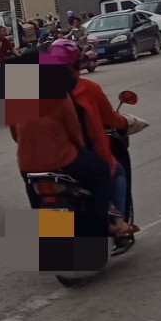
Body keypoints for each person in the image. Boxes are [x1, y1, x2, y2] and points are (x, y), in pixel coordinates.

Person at [8, 48, 131, 239]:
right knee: (102, 171)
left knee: (35, 196)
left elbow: (15, 135)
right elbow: (74, 130)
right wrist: (78, 149)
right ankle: (106, 224)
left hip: (27, 164)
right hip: (62, 159)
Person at [49, 41, 138, 237]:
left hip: (40, 162)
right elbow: (106, 119)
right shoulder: (87, 88)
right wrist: (126, 122)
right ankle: (118, 224)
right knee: (115, 172)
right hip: (75, 156)